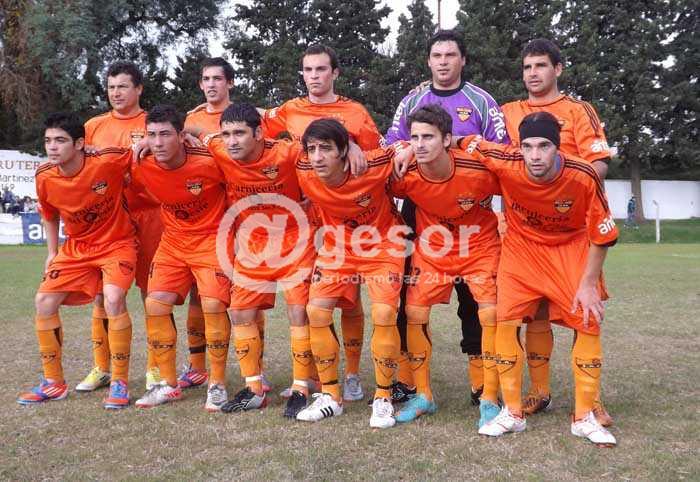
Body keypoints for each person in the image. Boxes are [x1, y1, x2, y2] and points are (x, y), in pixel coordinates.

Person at [463, 112, 618, 446]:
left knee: (588, 321)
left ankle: (583, 417)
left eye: (544, 146)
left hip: (569, 248)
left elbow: (603, 235)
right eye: (528, 146)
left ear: (557, 147)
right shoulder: (506, 160)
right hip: (522, 251)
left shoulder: (583, 175)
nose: (535, 155)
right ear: (519, 147)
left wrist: (588, 285)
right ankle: (513, 413)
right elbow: (465, 141)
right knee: (505, 322)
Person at [387, 29, 509, 406]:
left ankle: (480, 380)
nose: (443, 62)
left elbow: (502, 150)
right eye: (437, 55)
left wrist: (460, 145)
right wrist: (408, 148)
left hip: (471, 208)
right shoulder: (412, 99)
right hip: (421, 206)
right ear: (428, 61)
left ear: (463, 60)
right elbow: (390, 143)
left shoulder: (482, 101)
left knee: (474, 297)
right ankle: (408, 378)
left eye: (450, 55)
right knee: (408, 293)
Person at [260, 44, 384, 402]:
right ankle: (311, 375)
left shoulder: (355, 112)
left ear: (335, 73)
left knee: (348, 299)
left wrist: (354, 146)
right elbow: (255, 127)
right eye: (308, 70)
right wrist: (200, 120)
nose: (314, 76)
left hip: (340, 220)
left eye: (321, 69)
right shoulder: (290, 110)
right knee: (309, 300)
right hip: (303, 220)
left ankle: (353, 374)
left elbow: (376, 158)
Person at [501, 38, 613, 424]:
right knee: (534, 313)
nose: (533, 73)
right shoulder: (508, 112)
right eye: (527, 67)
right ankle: (540, 391)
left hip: (572, 232)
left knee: (586, 312)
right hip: (526, 234)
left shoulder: (578, 110)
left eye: (541, 66)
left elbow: (598, 165)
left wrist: (560, 191)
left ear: (558, 69)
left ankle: (590, 399)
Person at [201, 103, 316, 418]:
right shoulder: (220, 149)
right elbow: (197, 132)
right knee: (240, 311)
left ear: (259, 133)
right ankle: (254, 389)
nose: (232, 141)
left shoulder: (287, 153)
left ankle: (302, 386)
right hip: (253, 244)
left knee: (298, 311)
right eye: (226, 134)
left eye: (239, 133)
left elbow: (323, 151)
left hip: (295, 238)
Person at [389, 105, 501, 424]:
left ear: (447, 139)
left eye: (428, 137)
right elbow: (369, 178)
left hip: (479, 247)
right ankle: (424, 396)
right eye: (414, 138)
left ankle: (490, 397)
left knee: (490, 314)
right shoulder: (404, 172)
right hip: (433, 249)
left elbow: (518, 181)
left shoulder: (478, 170)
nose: (420, 145)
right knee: (414, 313)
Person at [18, 112, 136, 409]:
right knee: (44, 301)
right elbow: (49, 215)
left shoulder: (107, 161)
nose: (52, 147)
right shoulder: (45, 175)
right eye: (48, 141)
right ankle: (53, 383)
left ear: (80, 143)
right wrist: (51, 252)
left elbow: (142, 148)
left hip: (117, 243)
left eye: (60, 140)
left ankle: (119, 381)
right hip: (76, 248)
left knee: (113, 299)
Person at [294, 118, 402, 428]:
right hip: (337, 248)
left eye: (326, 149)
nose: (317, 157)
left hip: (383, 245)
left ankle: (383, 397)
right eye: (312, 149)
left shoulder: (372, 164)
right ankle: (330, 396)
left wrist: (362, 145)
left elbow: (402, 146)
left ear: (343, 150)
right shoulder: (303, 168)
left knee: (384, 312)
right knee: (316, 311)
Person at [131, 105, 231, 411]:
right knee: (155, 304)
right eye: (152, 135)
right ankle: (168, 384)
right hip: (173, 242)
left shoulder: (210, 160)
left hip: (211, 240)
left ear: (181, 136)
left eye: (165, 134)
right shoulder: (141, 160)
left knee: (213, 305)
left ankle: (217, 383)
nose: (158, 142)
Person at [183, 57, 272, 393]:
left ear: (229, 82)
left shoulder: (249, 116)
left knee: (249, 297)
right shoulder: (191, 118)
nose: (211, 84)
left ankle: (257, 368)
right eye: (205, 79)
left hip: (245, 221)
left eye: (217, 78)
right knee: (201, 294)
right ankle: (197, 366)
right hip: (207, 221)